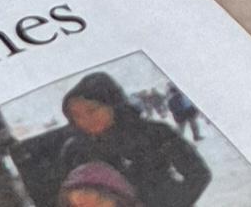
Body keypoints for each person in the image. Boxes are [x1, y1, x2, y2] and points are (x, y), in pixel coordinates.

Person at [28, 76, 210, 207]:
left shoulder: (154, 133)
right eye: (76, 116)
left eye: (92, 110)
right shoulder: (75, 150)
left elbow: (198, 174)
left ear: (113, 104)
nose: (84, 120)